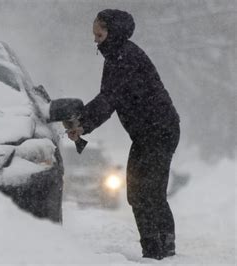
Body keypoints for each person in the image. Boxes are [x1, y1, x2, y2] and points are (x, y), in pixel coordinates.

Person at [65, 9, 180, 260]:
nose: (95, 40)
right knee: (145, 192)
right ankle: (162, 247)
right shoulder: (118, 56)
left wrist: (82, 123)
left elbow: (109, 98)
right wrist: (83, 123)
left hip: (158, 131)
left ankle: (156, 250)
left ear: (113, 33)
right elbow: (110, 96)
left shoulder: (125, 57)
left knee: (144, 192)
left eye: (99, 34)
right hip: (150, 133)